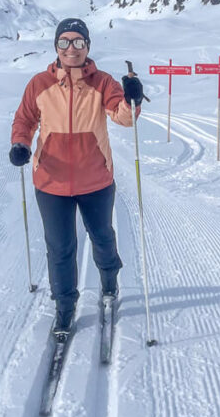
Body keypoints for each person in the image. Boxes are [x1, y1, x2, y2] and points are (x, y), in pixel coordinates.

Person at [9, 18, 144, 340]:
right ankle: (65, 306)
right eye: (65, 42)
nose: (72, 48)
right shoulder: (39, 83)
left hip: (95, 179)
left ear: (88, 47)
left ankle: (109, 279)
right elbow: (25, 119)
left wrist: (132, 100)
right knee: (60, 249)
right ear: (56, 47)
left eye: (79, 42)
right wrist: (20, 144)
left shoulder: (104, 82)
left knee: (102, 237)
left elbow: (123, 118)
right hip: (51, 182)